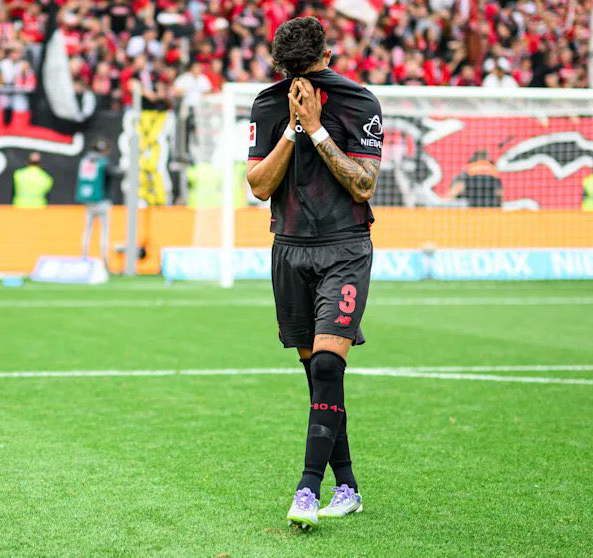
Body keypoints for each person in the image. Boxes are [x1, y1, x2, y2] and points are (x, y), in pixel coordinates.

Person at [246, 16, 381, 530]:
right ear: (327, 51)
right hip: (289, 247)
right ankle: (348, 487)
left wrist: (319, 129)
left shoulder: (358, 102)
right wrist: (292, 129)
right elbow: (260, 186)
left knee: (326, 366)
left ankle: (308, 489)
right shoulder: (267, 105)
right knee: (319, 377)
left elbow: (363, 185)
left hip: (344, 246)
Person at [77, 139, 115, 265]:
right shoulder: (103, 162)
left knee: (87, 230)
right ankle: (105, 260)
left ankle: (84, 257)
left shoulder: (86, 161)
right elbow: (113, 173)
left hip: (89, 201)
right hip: (102, 200)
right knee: (104, 231)